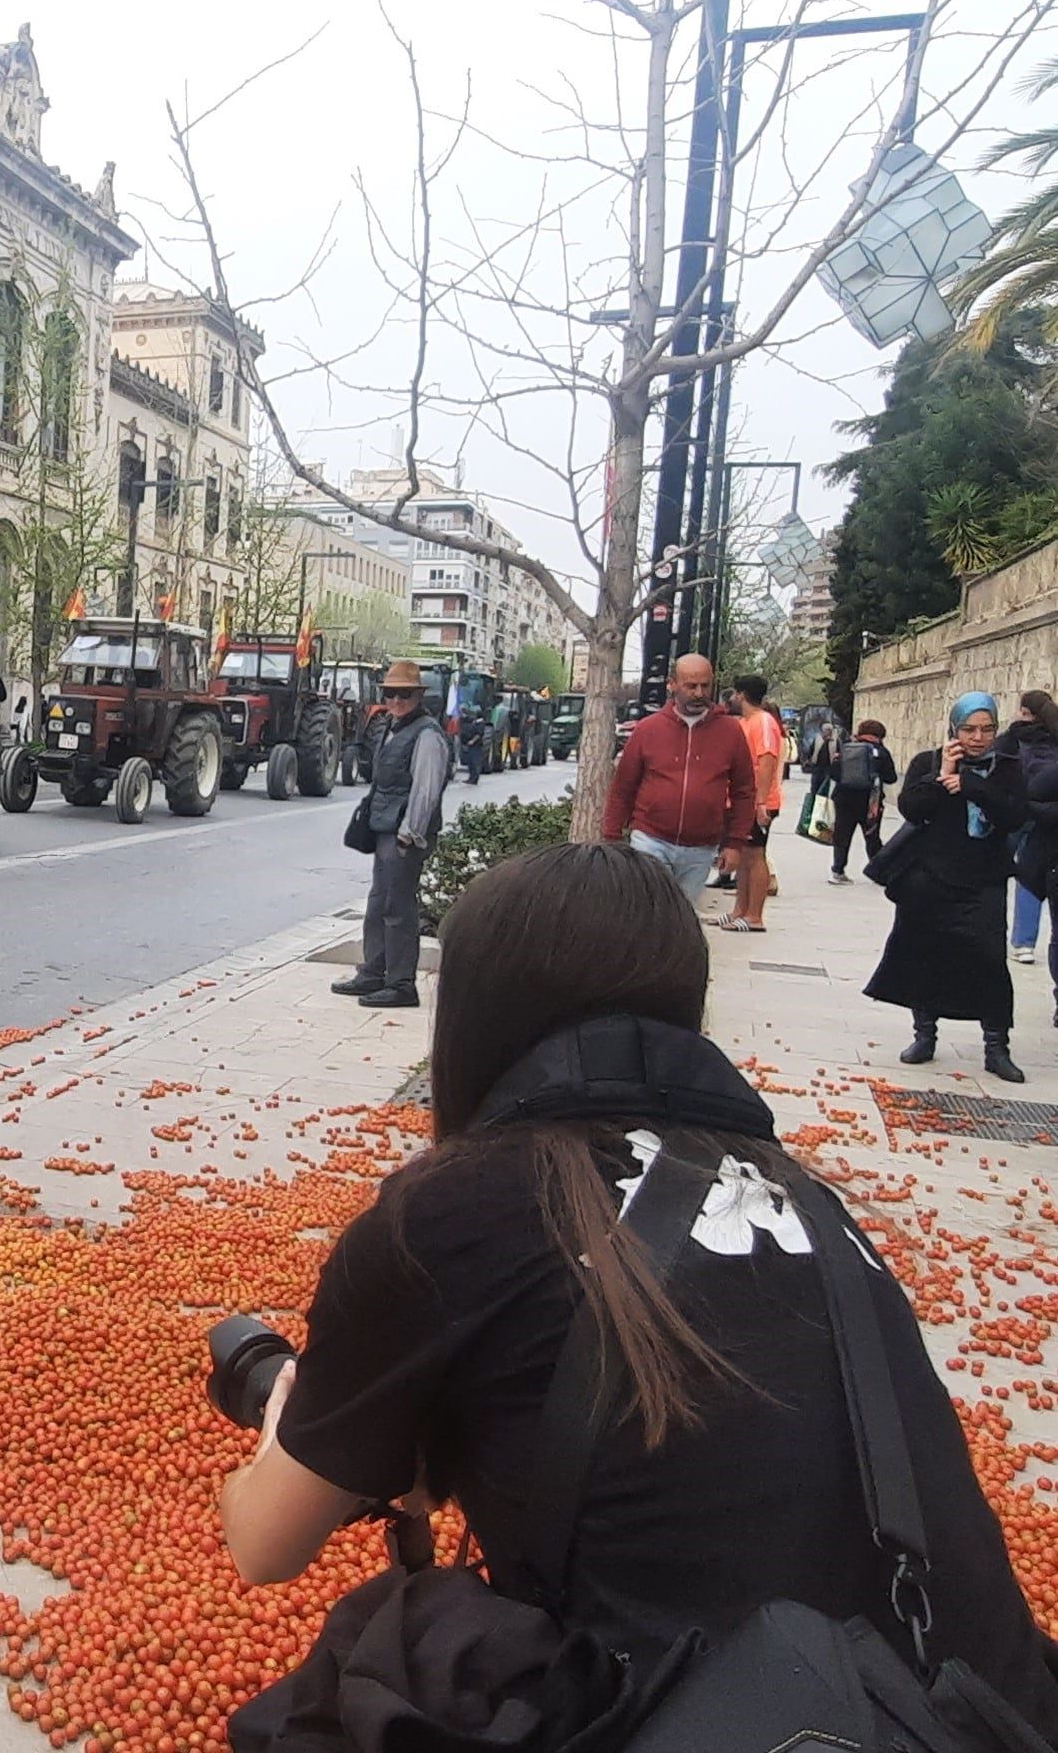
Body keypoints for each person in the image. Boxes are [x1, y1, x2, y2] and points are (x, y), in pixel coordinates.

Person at [221, 841, 1058, 1731]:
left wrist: (290, 1410)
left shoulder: (453, 1210)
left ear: (472, 1013)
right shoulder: (809, 1198)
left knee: (370, 1661)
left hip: (733, 1722)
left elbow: (263, 1543)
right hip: (974, 1710)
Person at [866, 692, 1030, 1081]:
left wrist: (972, 784)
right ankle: (924, 1034)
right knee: (926, 956)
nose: (978, 738)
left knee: (991, 959)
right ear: (954, 729)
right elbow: (912, 807)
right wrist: (944, 776)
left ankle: (996, 1045)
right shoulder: (930, 760)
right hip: (930, 877)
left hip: (983, 879)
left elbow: (1013, 816)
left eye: (987, 729)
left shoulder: (1006, 766)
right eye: (969, 729)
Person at [329, 658, 450, 1010]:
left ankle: (400, 985)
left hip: (404, 834)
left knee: (398, 908)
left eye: (404, 694)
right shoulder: (389, 727)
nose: (396, 700)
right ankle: (374, 971)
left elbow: (426, 791)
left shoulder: (427, 735)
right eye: (391, 693)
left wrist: (409, 834)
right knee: (378, 903)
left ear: (417, 696)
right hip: (386, 829)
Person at [599, 653, 754, 904]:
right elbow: (623, 787)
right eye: (691, 686)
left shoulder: (730, 732)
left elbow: (744, 791)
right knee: (650, 912)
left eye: (705, 685)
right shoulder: (648, 729)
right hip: (651, 840)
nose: (699, 693)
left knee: (683, 919)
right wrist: (612, 838)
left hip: (701, 849)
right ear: (672, 684)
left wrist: (734, 843)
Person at [721, 673, 788, 931]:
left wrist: (760, 802)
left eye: (735, 694)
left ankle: (754, 915)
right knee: (743, 856)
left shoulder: (762, 722)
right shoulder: (747, 723)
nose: (733, 699)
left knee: (754, 856)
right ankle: (740, 909)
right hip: (745, 800)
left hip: (758, 801)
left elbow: (767, 760)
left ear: (742, 694)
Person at [1000, 690, 1058, 965]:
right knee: (1032, 871)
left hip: (1018, 811)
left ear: (1024, 711)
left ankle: (1019, 939)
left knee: (1007, 870)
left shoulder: (1014, 736)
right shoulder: (1054, 736)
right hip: (1048, 817)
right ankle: (1024, 942)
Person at [827, 719, 898, 885]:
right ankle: (878, 872)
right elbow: (891, 778)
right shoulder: (880, 751)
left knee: (842, 835)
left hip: (844, 799)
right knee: (872, 836)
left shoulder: (846, 748)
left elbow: (834, 774)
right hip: (870, 802)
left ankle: (837, 871)